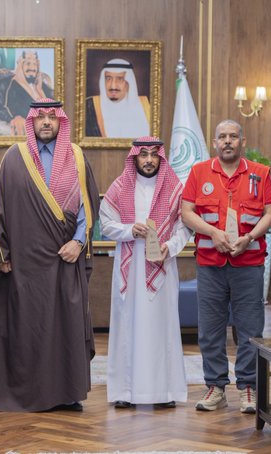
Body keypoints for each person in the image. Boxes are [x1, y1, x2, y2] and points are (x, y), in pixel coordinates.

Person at [0, 98, 100, 412]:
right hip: (24, 265)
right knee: (27, 327)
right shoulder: (14, 157)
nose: (46, 122)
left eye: (52, 116)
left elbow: (88, 206)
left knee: (66, 326)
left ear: (61, 121)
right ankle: (26, 394)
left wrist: (78, 242)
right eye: (41, 117)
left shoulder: (76, 157)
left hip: (65, 260)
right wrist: (1, 254)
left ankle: (66, 394)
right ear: (31, 121)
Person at [181, 119, 271, 414]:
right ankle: (215, 387)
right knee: (210, 329)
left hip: (248, 263)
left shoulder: (261, 173)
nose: (227, 141)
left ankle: (248, 387)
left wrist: (250, 237)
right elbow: (186, 212)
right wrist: (212, 233)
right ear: (214, 142)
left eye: (233, 136)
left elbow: (270, 213)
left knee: (250, 329)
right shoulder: (199, 172)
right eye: (222, 136)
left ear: (242, 142)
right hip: (210, 264)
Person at [100, 137, 190, 409]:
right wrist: (129, 230)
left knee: (163, 327)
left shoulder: (175, 189)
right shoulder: (119, 187)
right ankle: (125, 392)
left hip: (162, 265)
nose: (149, 160)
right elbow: (106, 224)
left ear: (161, 157)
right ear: (135, 157)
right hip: (130, 267)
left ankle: (164, 392)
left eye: (153, 154)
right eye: (143, 154)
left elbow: (184, 228)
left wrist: (169, 247)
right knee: (127, 326)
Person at [0, 50, 54, 136]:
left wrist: (40, 91)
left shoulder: (43, 86)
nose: (32, 68)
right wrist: (13, 118)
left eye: (35, 64)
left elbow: (56, 111)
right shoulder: (5, 84)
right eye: (28, 63)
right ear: (20, 65)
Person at [85, 58, 150, 138]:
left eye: (120, 79)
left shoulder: (147, 106)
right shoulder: (88, 107)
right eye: (108, 79)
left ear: (129, 82)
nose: (113, 86)